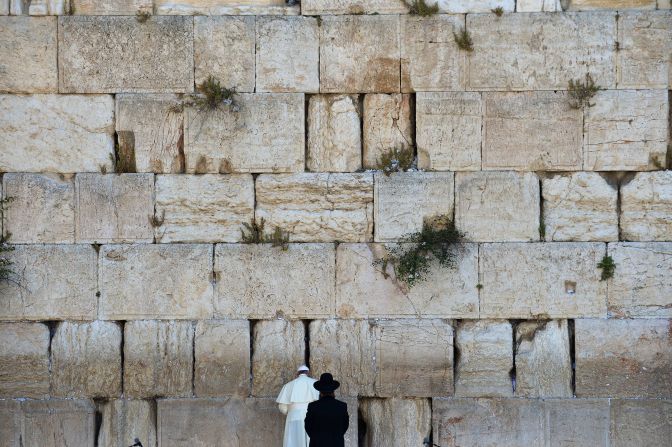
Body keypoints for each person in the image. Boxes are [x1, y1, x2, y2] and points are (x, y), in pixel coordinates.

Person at [277, 365, 320, 447]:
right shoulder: (316, 383)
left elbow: (282, 407)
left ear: (297, 373)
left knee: (294, 441)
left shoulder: (288, 385)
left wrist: (290, 411)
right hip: (313, 416)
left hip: (294, 416)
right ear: (308, 373)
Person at [304, 373, 349, 447]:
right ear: (333, 391)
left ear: (320, 392)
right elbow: (345, 426)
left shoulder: (313, 406)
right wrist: (336, 436)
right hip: (336, 443)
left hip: (317, 444)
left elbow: (308, 426)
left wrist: (316, 438)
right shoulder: (342, 406)